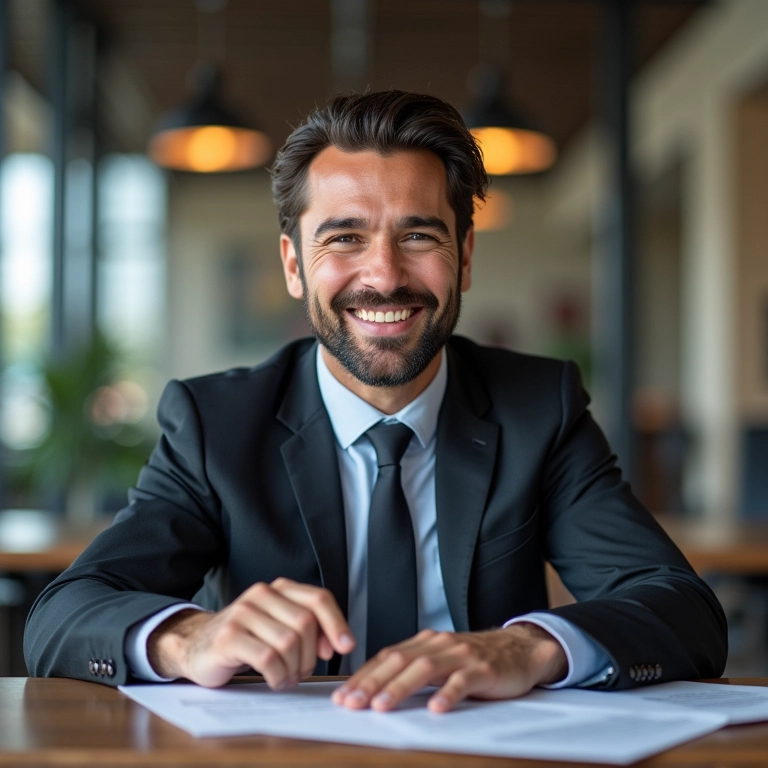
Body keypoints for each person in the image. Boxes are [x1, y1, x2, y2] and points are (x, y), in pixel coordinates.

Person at [24, 90, 727, 714]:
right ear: (295, 267)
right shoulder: (216, 425)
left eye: (418, 236)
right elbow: (65, 614)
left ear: (466, 258)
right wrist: (186, 639)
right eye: (345, 238)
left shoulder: (537, 408)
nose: (385, 276)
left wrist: (530, 649)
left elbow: (683, 612)